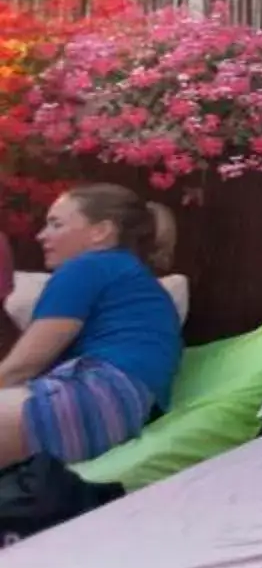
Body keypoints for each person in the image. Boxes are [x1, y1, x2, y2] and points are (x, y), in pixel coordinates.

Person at [0, 185, 183, 470]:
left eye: (56, 224)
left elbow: (23, 365)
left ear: (101, 232)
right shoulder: (130, 275)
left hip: (97, 395)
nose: (41, 236)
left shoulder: (87, 267)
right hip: (126, 410)